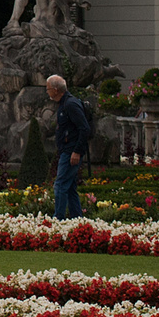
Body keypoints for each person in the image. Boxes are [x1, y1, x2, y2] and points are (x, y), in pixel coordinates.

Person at [46, 74, 91, 220]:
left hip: (70, 151)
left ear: (55, 89)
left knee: (60, 185)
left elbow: (84, 128)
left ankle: (58, 219)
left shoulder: (70, 104)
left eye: (48, 89)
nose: (47, 92)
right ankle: (77, 218)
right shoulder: (65, 103)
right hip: (67, 150)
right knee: (70, 187)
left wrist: (76, 151)